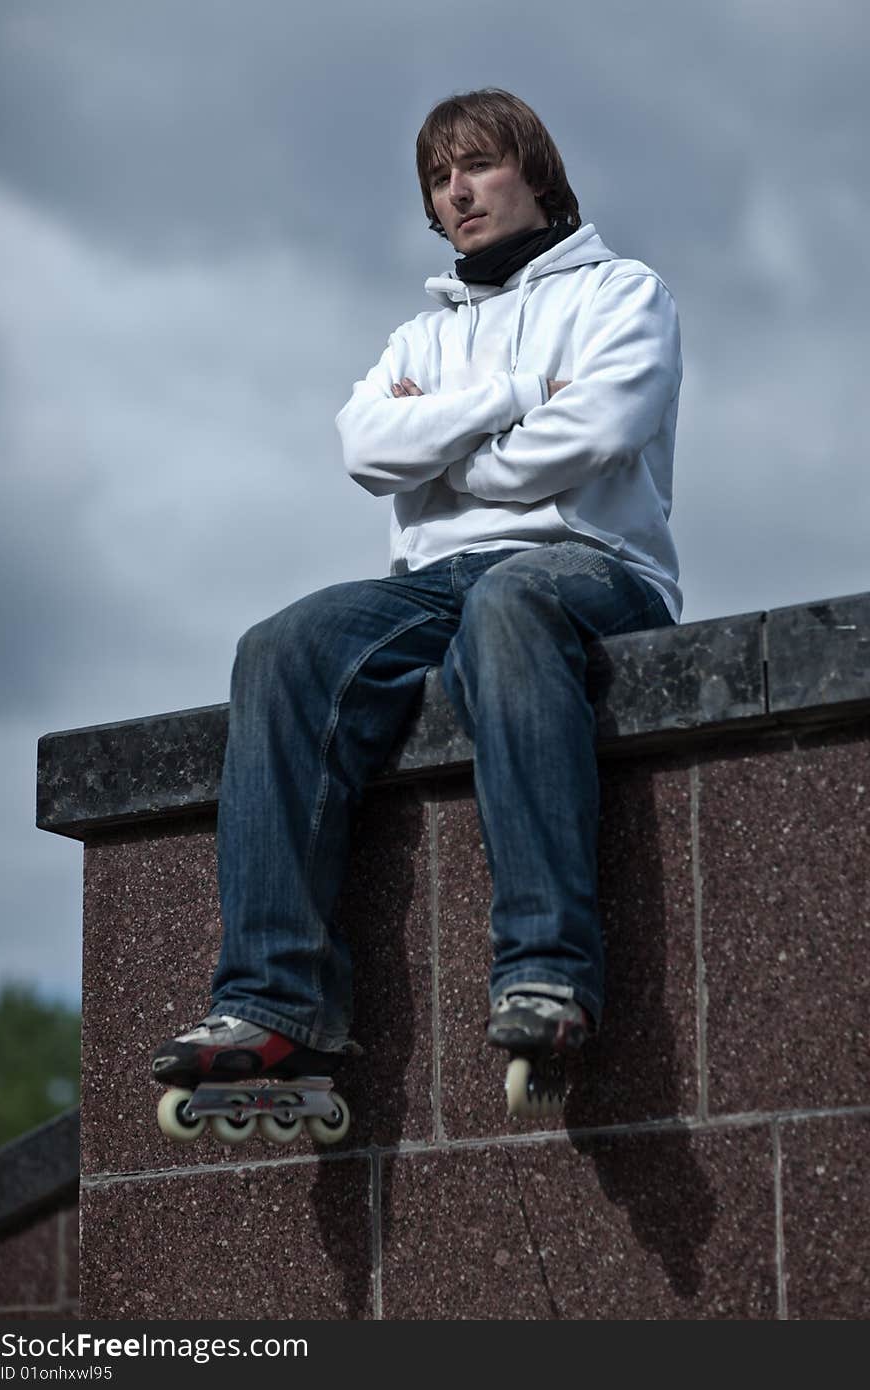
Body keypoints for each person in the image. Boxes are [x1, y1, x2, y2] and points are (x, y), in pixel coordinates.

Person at [151, 88, 682, 1115]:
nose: (458, 190)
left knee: (511, 607)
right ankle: (274, 1007)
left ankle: (547, 968)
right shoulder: (417, 336)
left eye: (478, 165)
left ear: (534, 172)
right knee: (284, 645)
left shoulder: (624, 293)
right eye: (440, 179)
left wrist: (443, 461)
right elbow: (363, 447)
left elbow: (598, 435)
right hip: (436, 581)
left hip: (591, 562)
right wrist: (515, 397)